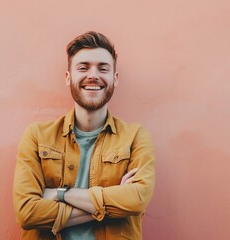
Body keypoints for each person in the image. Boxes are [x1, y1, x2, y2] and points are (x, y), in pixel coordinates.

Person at [13, 31, 155, 240]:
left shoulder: (135, 137)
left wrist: (60, 194)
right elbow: (27, 212)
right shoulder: (37, 136)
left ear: (115, 79)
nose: (93, 75)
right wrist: (114, 203)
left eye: (103, 68)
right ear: (68, 77)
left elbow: (137, 200)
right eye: (83, 67)